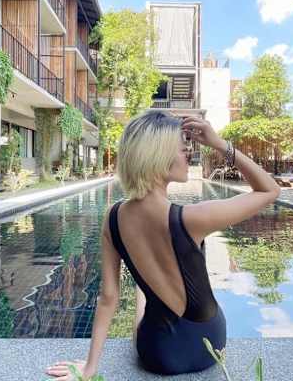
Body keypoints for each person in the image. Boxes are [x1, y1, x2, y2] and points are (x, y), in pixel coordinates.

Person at [46, 111, 280, 379]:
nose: (188, 154)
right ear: (159, 157)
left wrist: (90, 368)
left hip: (157, 353)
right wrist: (219, 144)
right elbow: (269, 190)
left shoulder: (112, 217)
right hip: (210, 346)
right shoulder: (194, 218)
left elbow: (108, 298)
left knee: (144, 299)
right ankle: (144, 292)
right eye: (182, 149)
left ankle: (143, 290)